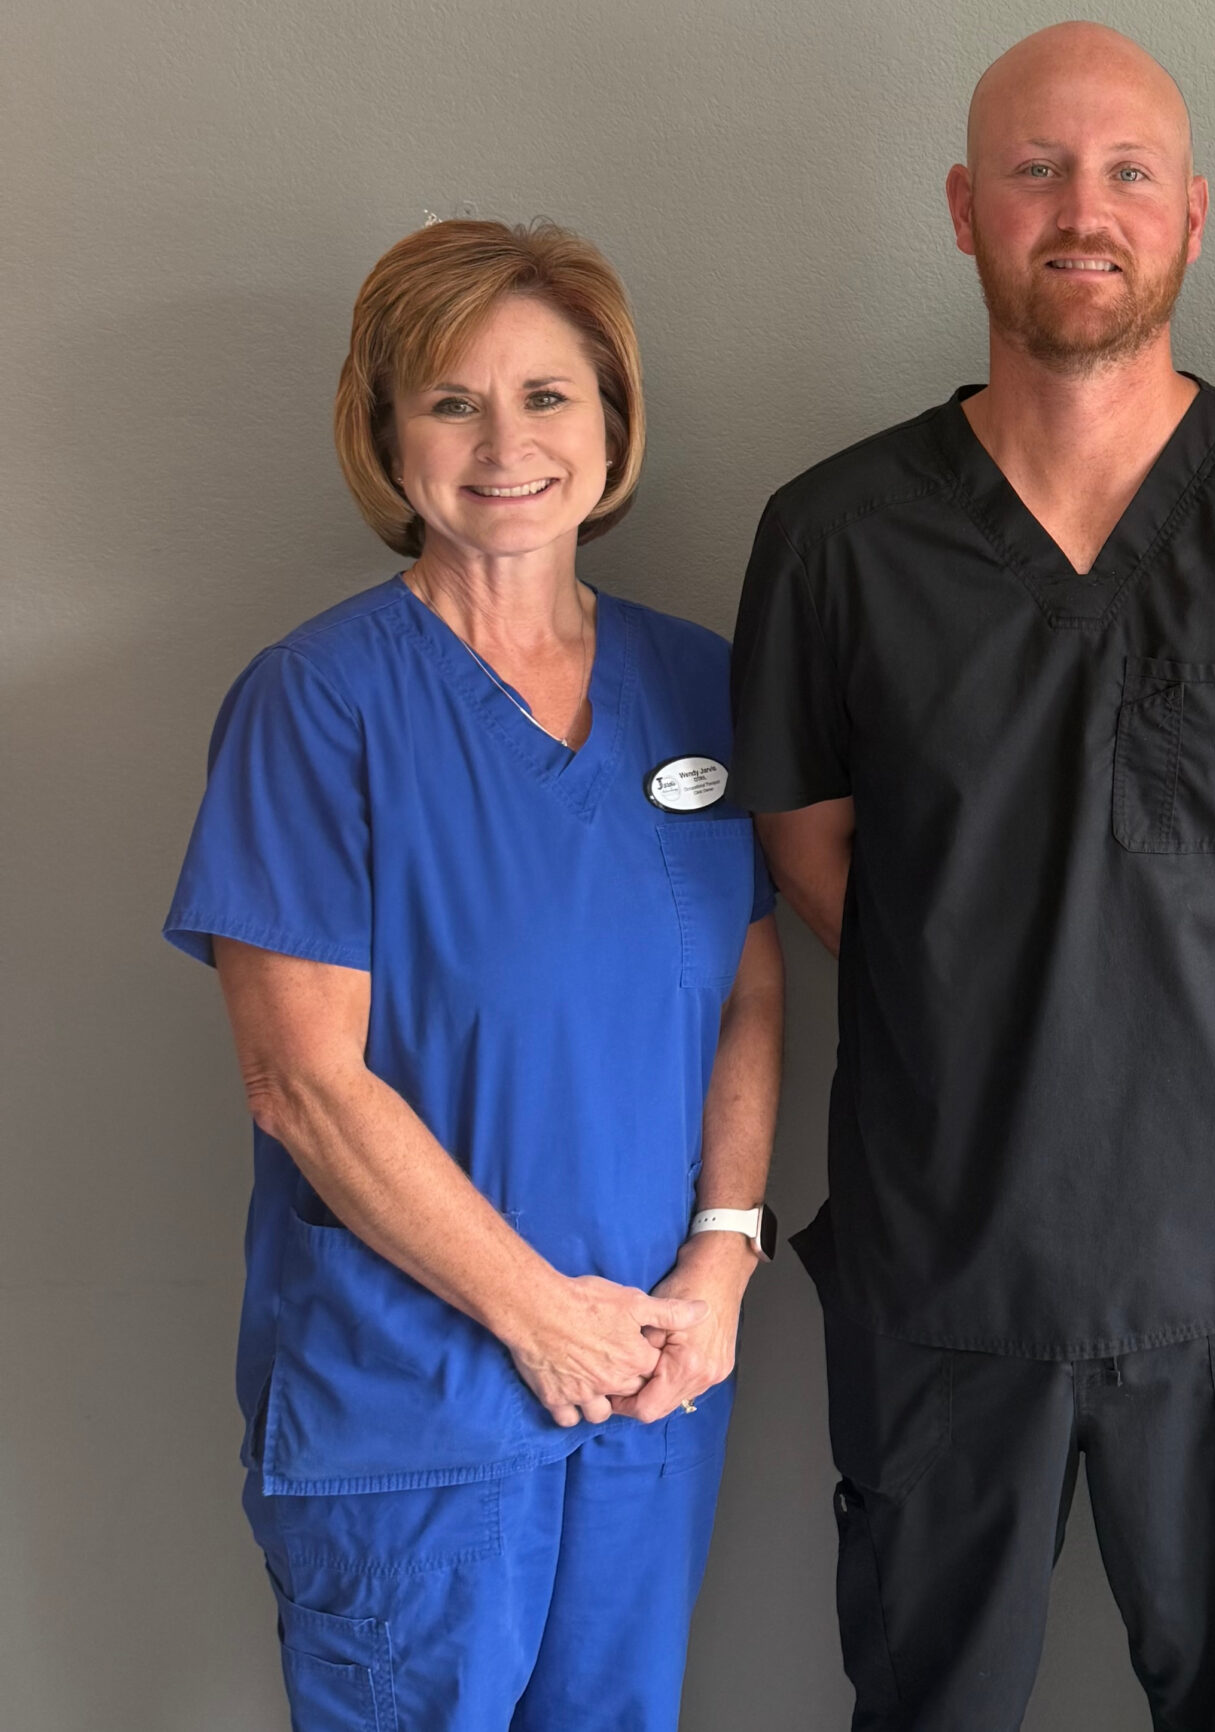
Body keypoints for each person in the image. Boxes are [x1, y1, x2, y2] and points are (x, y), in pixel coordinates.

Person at [727, 23, 1215, 1731]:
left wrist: (1205, 990)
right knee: (928, 1701)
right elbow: (812, 844)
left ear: (1192, 216)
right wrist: (989, 974)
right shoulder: (836, 535)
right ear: (967, 210)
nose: (1082, 207)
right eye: (1038, 170)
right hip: (949, 1257)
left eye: (1127, 171)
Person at [163, 218, 783, 1732]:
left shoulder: (701, 681)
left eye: (549, 396)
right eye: (451, 401)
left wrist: (724, 1252)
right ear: (387, 437)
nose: (506, 443)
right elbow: (302, 1081)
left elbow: (750, 991)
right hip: (422, 1404)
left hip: (650, 1381)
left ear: (614, 423)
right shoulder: (315, 705)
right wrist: (532, 1314)